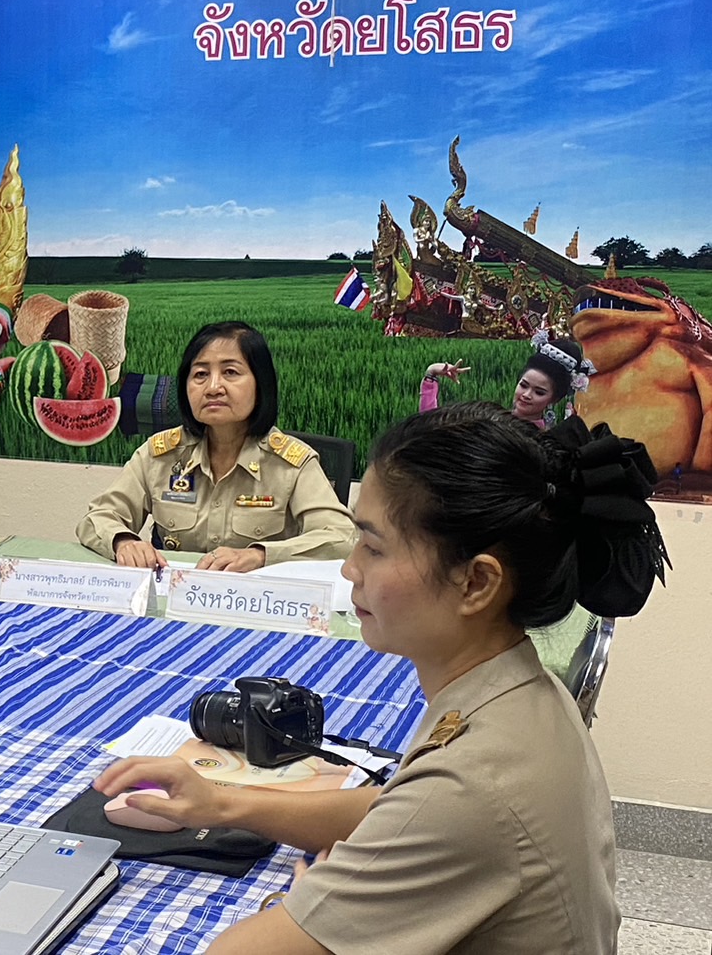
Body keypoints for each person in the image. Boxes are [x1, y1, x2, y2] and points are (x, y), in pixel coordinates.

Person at [96, 402, 668, 953]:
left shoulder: (472, 784)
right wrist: (222, 802)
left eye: (372, 546)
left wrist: (290, 906)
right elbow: (389, 811)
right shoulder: (511, 692)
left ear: (476, 583)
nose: (350, 567)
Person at [77, 321, 354, 572]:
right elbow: (97, 518)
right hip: (175, 603)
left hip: (258, 605)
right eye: (199, 374)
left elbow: (341, 537)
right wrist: (123, 541)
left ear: (261, 384)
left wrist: (262, 555)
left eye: (230, 372)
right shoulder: (160, 454)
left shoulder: (291, 463)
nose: (213, 387)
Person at [421, 331, 593, 429]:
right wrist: (431, 376)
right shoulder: (492, 418)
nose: (526, 395)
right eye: (523, 385)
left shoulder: (541, 441)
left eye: (539, 392)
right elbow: (431, 432)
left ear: (555, 399)